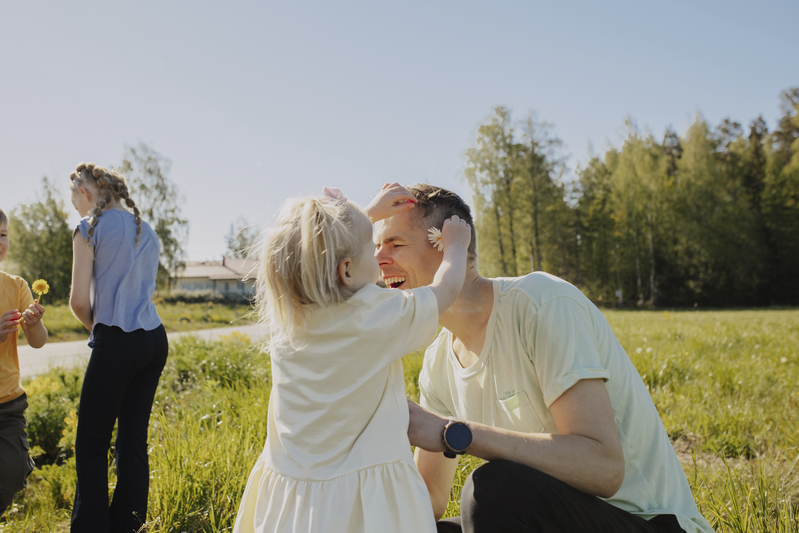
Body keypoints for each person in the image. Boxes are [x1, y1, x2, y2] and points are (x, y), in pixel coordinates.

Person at [374, 184, 714, 533]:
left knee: (492, 491)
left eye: (396, 244)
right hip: (553, 517)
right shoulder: (437, 362)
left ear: (449, 247)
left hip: (650, 523)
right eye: (375, 247)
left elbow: (604, 467)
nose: (379, 260)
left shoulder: (541, 304)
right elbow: (428, 499)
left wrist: (455, 433)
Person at [232, 184, 472, 533]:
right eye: (370, 248)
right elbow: (445, 290)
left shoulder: (289, 324)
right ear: (346, 272)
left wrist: (366, 214)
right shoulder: (372, 315)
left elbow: (308, 247)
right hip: (359, 500)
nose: (378, 257)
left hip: (291, 491)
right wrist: (455, 247)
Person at [67, 163, 168, 533]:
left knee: (91, 444)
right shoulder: (149, 232)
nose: (75, 207)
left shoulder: (88, 228)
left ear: (87, 194)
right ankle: (128, 527)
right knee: (132, 441)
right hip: (155, 340)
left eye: (75, 199)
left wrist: (103, 335)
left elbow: (78, 303)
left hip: (119, 338)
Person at [0, 207, 47, 516]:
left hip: (9, 403)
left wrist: (33, 325)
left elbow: (38, 342)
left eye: (3, 235)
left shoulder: (16, 286)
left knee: (14, 472)